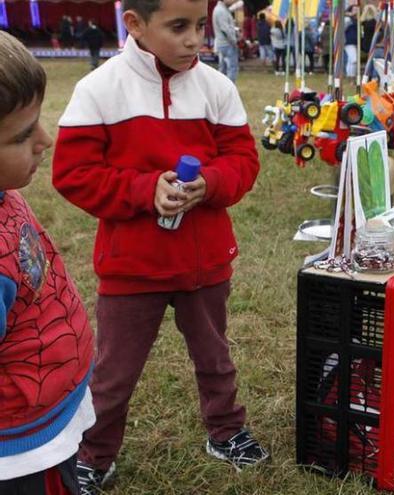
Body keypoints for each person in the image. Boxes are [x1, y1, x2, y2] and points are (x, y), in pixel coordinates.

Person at [52, 0, 265, 492]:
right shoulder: (98, 90)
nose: (195, 39)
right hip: (132, 269)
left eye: (198, 25)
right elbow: (73, 174)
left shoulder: (217, 88)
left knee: (215, 356)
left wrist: (209, 183)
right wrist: (142, 190)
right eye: (179, 27)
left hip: (204, 264)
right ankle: (95, 454)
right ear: (135, 25)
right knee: (113, 373)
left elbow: (243, 161)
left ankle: (227, 430)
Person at [0, 31, 96, 495]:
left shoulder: (6, 193)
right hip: (19, 455)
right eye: (23, 135)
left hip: (51, 419)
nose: (46, 139)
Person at [212, 0, 240, 82]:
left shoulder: (221, 9)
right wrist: (234, 41)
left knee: (223, 69)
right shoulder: (221, 11)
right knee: (232, 68)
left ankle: (221, 91)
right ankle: (229, 91)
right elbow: (225, 29)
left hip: (223, 43)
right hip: (227, 44)